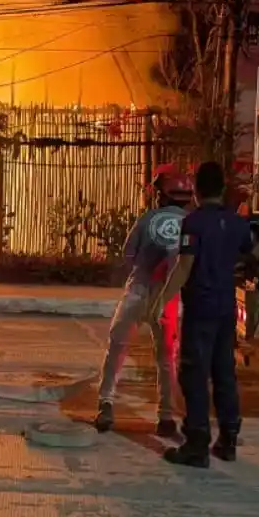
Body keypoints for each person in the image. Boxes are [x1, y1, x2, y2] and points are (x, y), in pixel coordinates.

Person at [156, 161, 259, 468]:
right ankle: (228, 439)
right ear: (222, 189)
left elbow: (185, 266)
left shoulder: (194, 223)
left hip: (200, 308)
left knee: (194, 373)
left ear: (197, 191)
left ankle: (197, 443)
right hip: (225, 308)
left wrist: (162, 299)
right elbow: (255, 253)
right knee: (224, 373)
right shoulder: (237, 223)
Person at [94, 164, 194, 437]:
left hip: (139, 289)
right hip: (170, 298)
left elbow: (128, 254)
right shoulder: (192, 223)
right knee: (166, 357)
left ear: (160, 193)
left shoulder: (147, 219)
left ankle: (106, 403)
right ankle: (165, 418)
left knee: (118, 346)